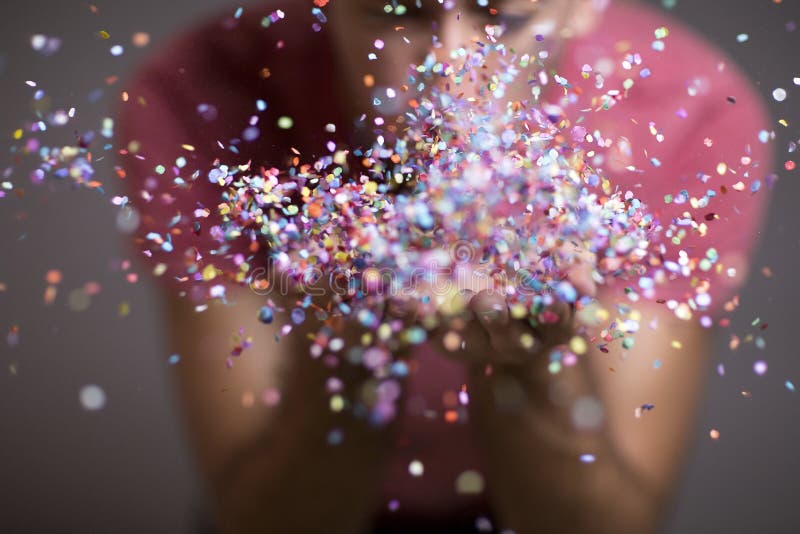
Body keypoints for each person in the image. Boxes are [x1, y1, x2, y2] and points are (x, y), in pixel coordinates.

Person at [119, 0, 773, 532]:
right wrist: (347, 352)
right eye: (394, 14)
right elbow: (261, 520)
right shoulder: (202, 94)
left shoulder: (685, 110)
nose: (449, 72)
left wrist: (534, 371)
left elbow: (610, 524)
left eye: (504, 19)